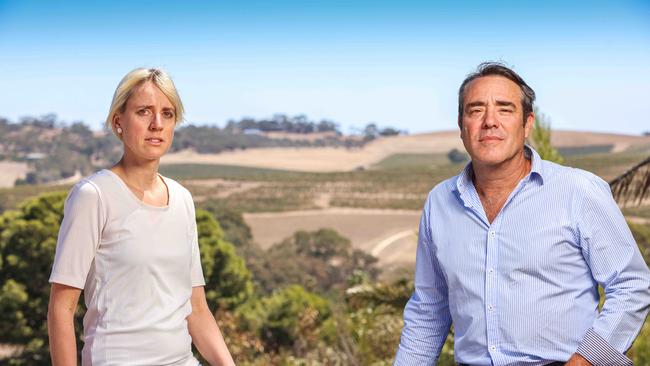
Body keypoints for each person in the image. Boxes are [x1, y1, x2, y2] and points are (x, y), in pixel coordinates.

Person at [393, 62, 650, 366]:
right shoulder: (439, 203)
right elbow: (428, 309)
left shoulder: (578, 190)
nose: (489, 121)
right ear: (462, 126)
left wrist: (587, 360)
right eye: (475, 110)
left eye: (504, 109)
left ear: (527, 124)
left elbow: (632, 285)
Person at [47, 68, 236, 366]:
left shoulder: (183, 200)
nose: (157, 124)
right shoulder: (93, 196)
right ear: (118, 122)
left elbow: (196, 309)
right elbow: (61, 307)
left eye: (168, 113)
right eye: (144, 112)